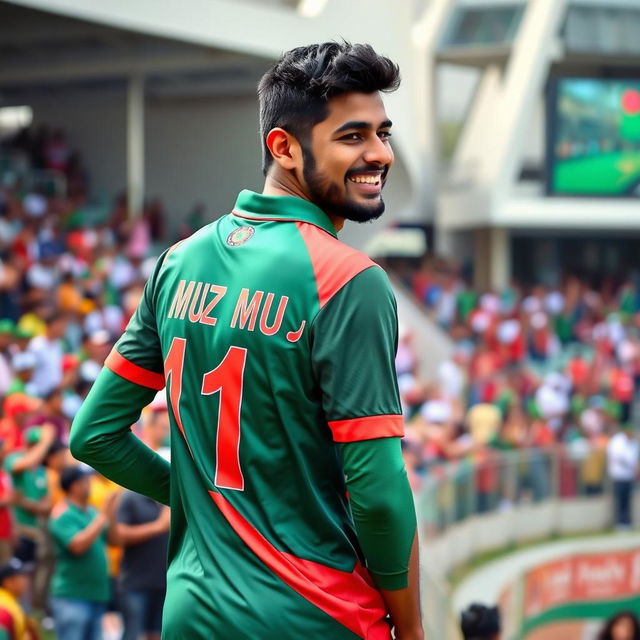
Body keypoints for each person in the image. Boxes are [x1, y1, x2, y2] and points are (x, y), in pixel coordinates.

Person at [71, 42, 422, 639]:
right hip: (316, 614)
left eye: (383, 134)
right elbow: (380, 493)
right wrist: (412, 630)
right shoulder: (350, 281)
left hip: (191, 611)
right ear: (283, 147)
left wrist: (202, 501)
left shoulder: (177, 262)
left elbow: (94, 435)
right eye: (353, 136)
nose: (379, 154)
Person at [48, 465, 119, 640]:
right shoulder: (62, 514)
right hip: (72, 597)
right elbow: (77, 546)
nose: (90, 484)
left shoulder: (92, 512)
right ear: (74, 485)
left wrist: (111, 513)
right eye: (85, 481)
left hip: (96, 594)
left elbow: (115, 541)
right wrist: (103, 516)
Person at [606, 423, 639, 530]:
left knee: (628, 499)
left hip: (629, 475)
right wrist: (631, 465)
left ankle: (627, 521)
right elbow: (618, 457)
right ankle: (619, 522)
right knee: (619, 499)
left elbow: (634, 457)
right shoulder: (617, 441)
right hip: (618, 474)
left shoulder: (633, 442)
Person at [0, 558, 39, 640]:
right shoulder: (4, 607)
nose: (26, 581)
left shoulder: (11, 601)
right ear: (8, 582)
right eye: (22, 577)